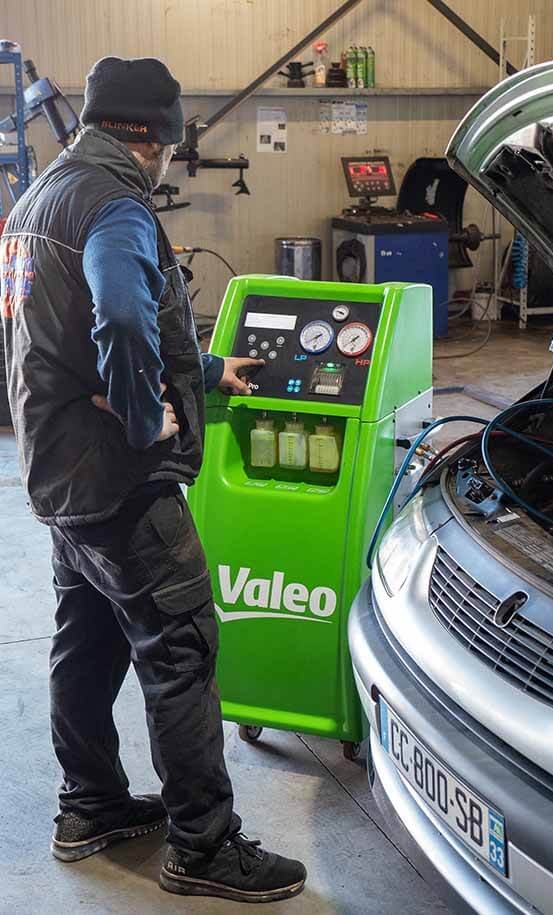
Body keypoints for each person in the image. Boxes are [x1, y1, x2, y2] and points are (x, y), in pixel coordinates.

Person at [0, 56, 306, 905]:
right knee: (179, 648)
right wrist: (144, 420)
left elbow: (62, 331)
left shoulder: (38, 200)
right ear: (158, 140)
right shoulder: (115, 205)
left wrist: (206, 369)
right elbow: (124, 316)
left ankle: (89, 806)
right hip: (122, 485)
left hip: (60, 477)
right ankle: (204, 847)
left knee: (87, 642)